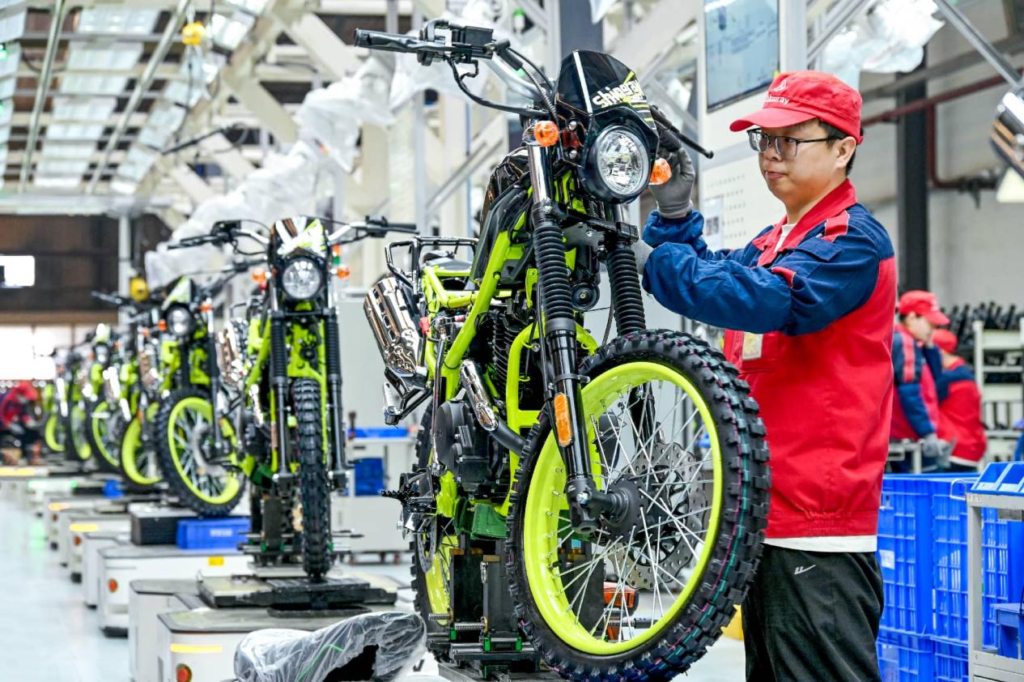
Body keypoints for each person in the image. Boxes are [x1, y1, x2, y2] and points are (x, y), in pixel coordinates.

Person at [637, 71, 894, 681]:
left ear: (843, 148)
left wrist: (653, 263)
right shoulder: (774, 242)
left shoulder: (851, 241)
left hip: (817, 528)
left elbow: (767, 298)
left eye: (789, 141)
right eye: (764, 141)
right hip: (764, 516)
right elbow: (715, 272)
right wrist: (673, 214)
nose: (771, 155)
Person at [891, 290, 949, 468]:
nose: (933, 329)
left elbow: (937, 381)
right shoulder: (904, 343)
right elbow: (909, 393)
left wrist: (930, 347)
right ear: (911, 318)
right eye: (930, 323)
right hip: (907, 438)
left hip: (912, 437)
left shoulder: (914, 344)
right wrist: (927, 432)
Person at [933, 329, 987, 469]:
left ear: (940, 352)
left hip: (953, 448)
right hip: (971, 446)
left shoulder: (947, 380)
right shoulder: (965, 374)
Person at [0, 381, 42, 465]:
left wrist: (28, 421)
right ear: (19, 394)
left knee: (29, 433)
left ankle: (27, 456)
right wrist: (8, 425)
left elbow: (23, 413)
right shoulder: (6, 398)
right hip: (3, 425)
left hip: (9, 425)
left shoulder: (19, 402)